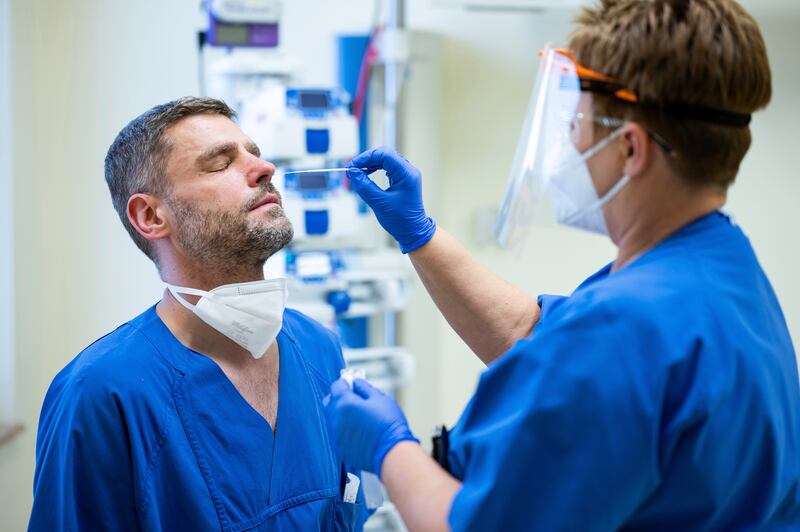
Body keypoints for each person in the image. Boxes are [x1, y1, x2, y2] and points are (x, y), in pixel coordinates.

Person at [323, 0, 800, 530]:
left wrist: (390, 448)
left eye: (577, 123)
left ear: (631, 149)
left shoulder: (627, 329)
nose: (569, 143)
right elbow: (538, 337)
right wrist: (420, 234)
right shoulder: (721, 271)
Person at [29, 97, 369, 531]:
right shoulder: (100, 393)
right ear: (151, 215)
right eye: (220, 163)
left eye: (255, 154)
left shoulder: (321, 349)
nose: (264, 170)